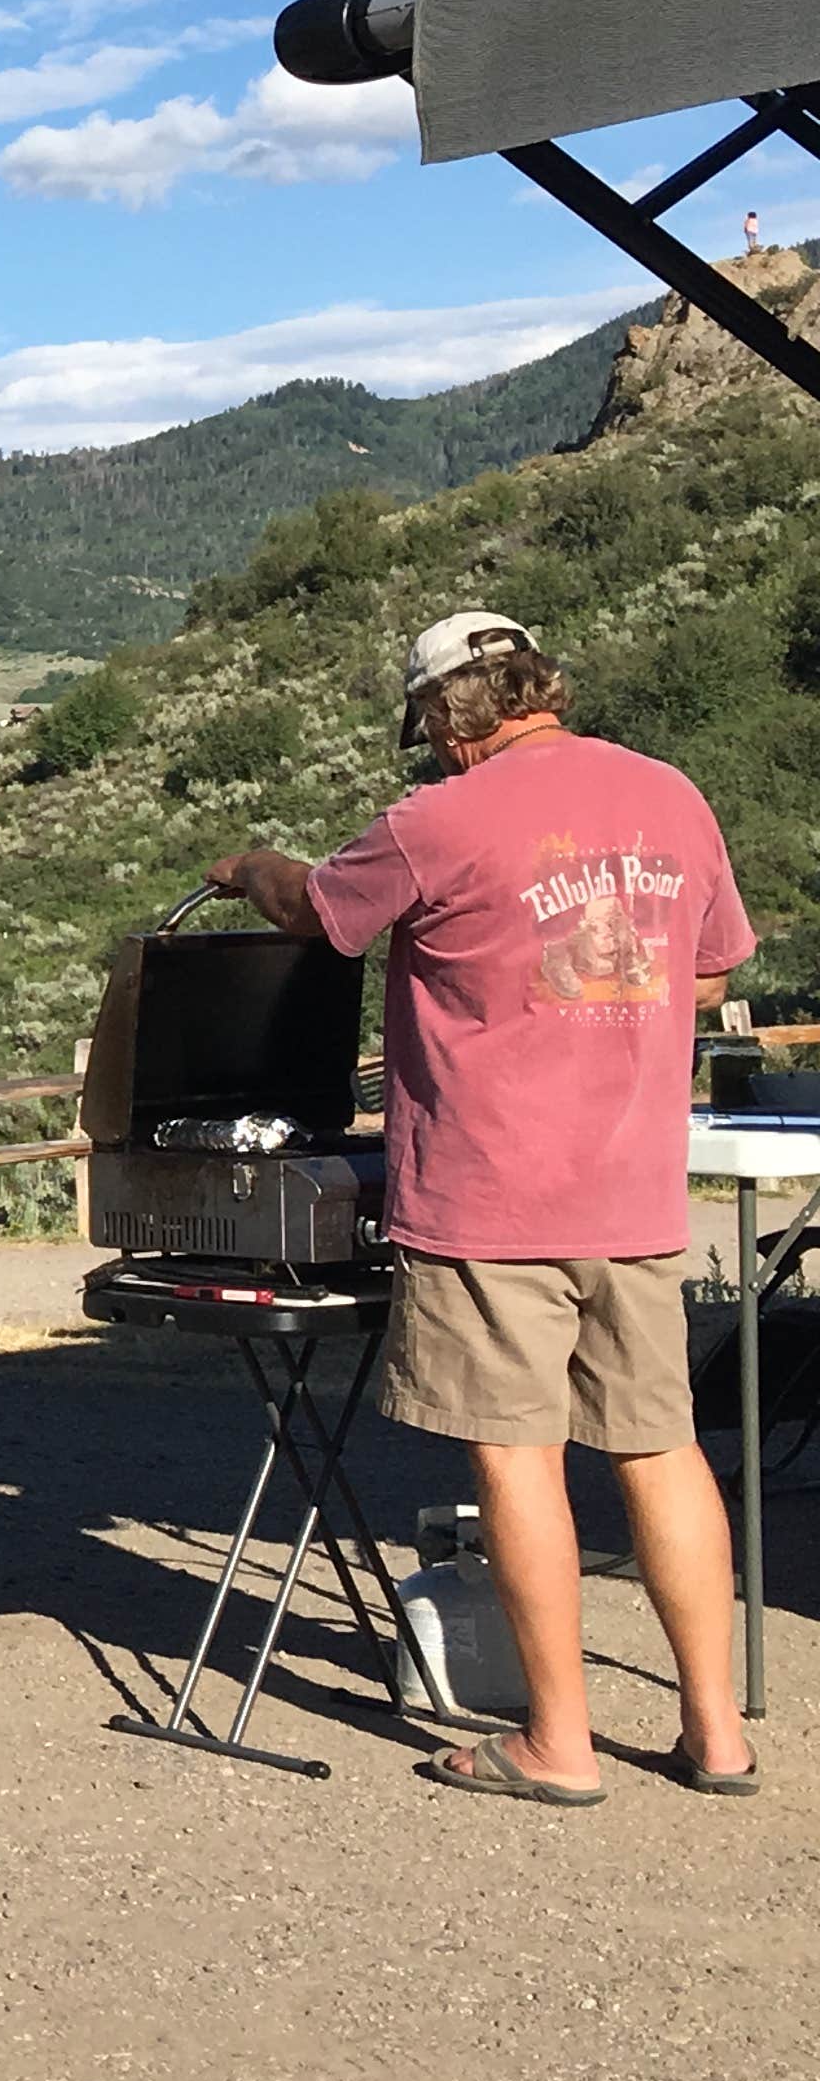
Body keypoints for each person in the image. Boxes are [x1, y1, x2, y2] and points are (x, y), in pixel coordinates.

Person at [212, 611, 756, 1806]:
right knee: (661, 1449)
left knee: (519, 1456)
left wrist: (246, 867)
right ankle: (716, 1733)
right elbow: (713, 963)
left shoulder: (437, 820)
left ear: (445, 719)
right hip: (636, 1192)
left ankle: (557, 1744)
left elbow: (318, 913)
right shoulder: (670, 793)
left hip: (493, 1195)